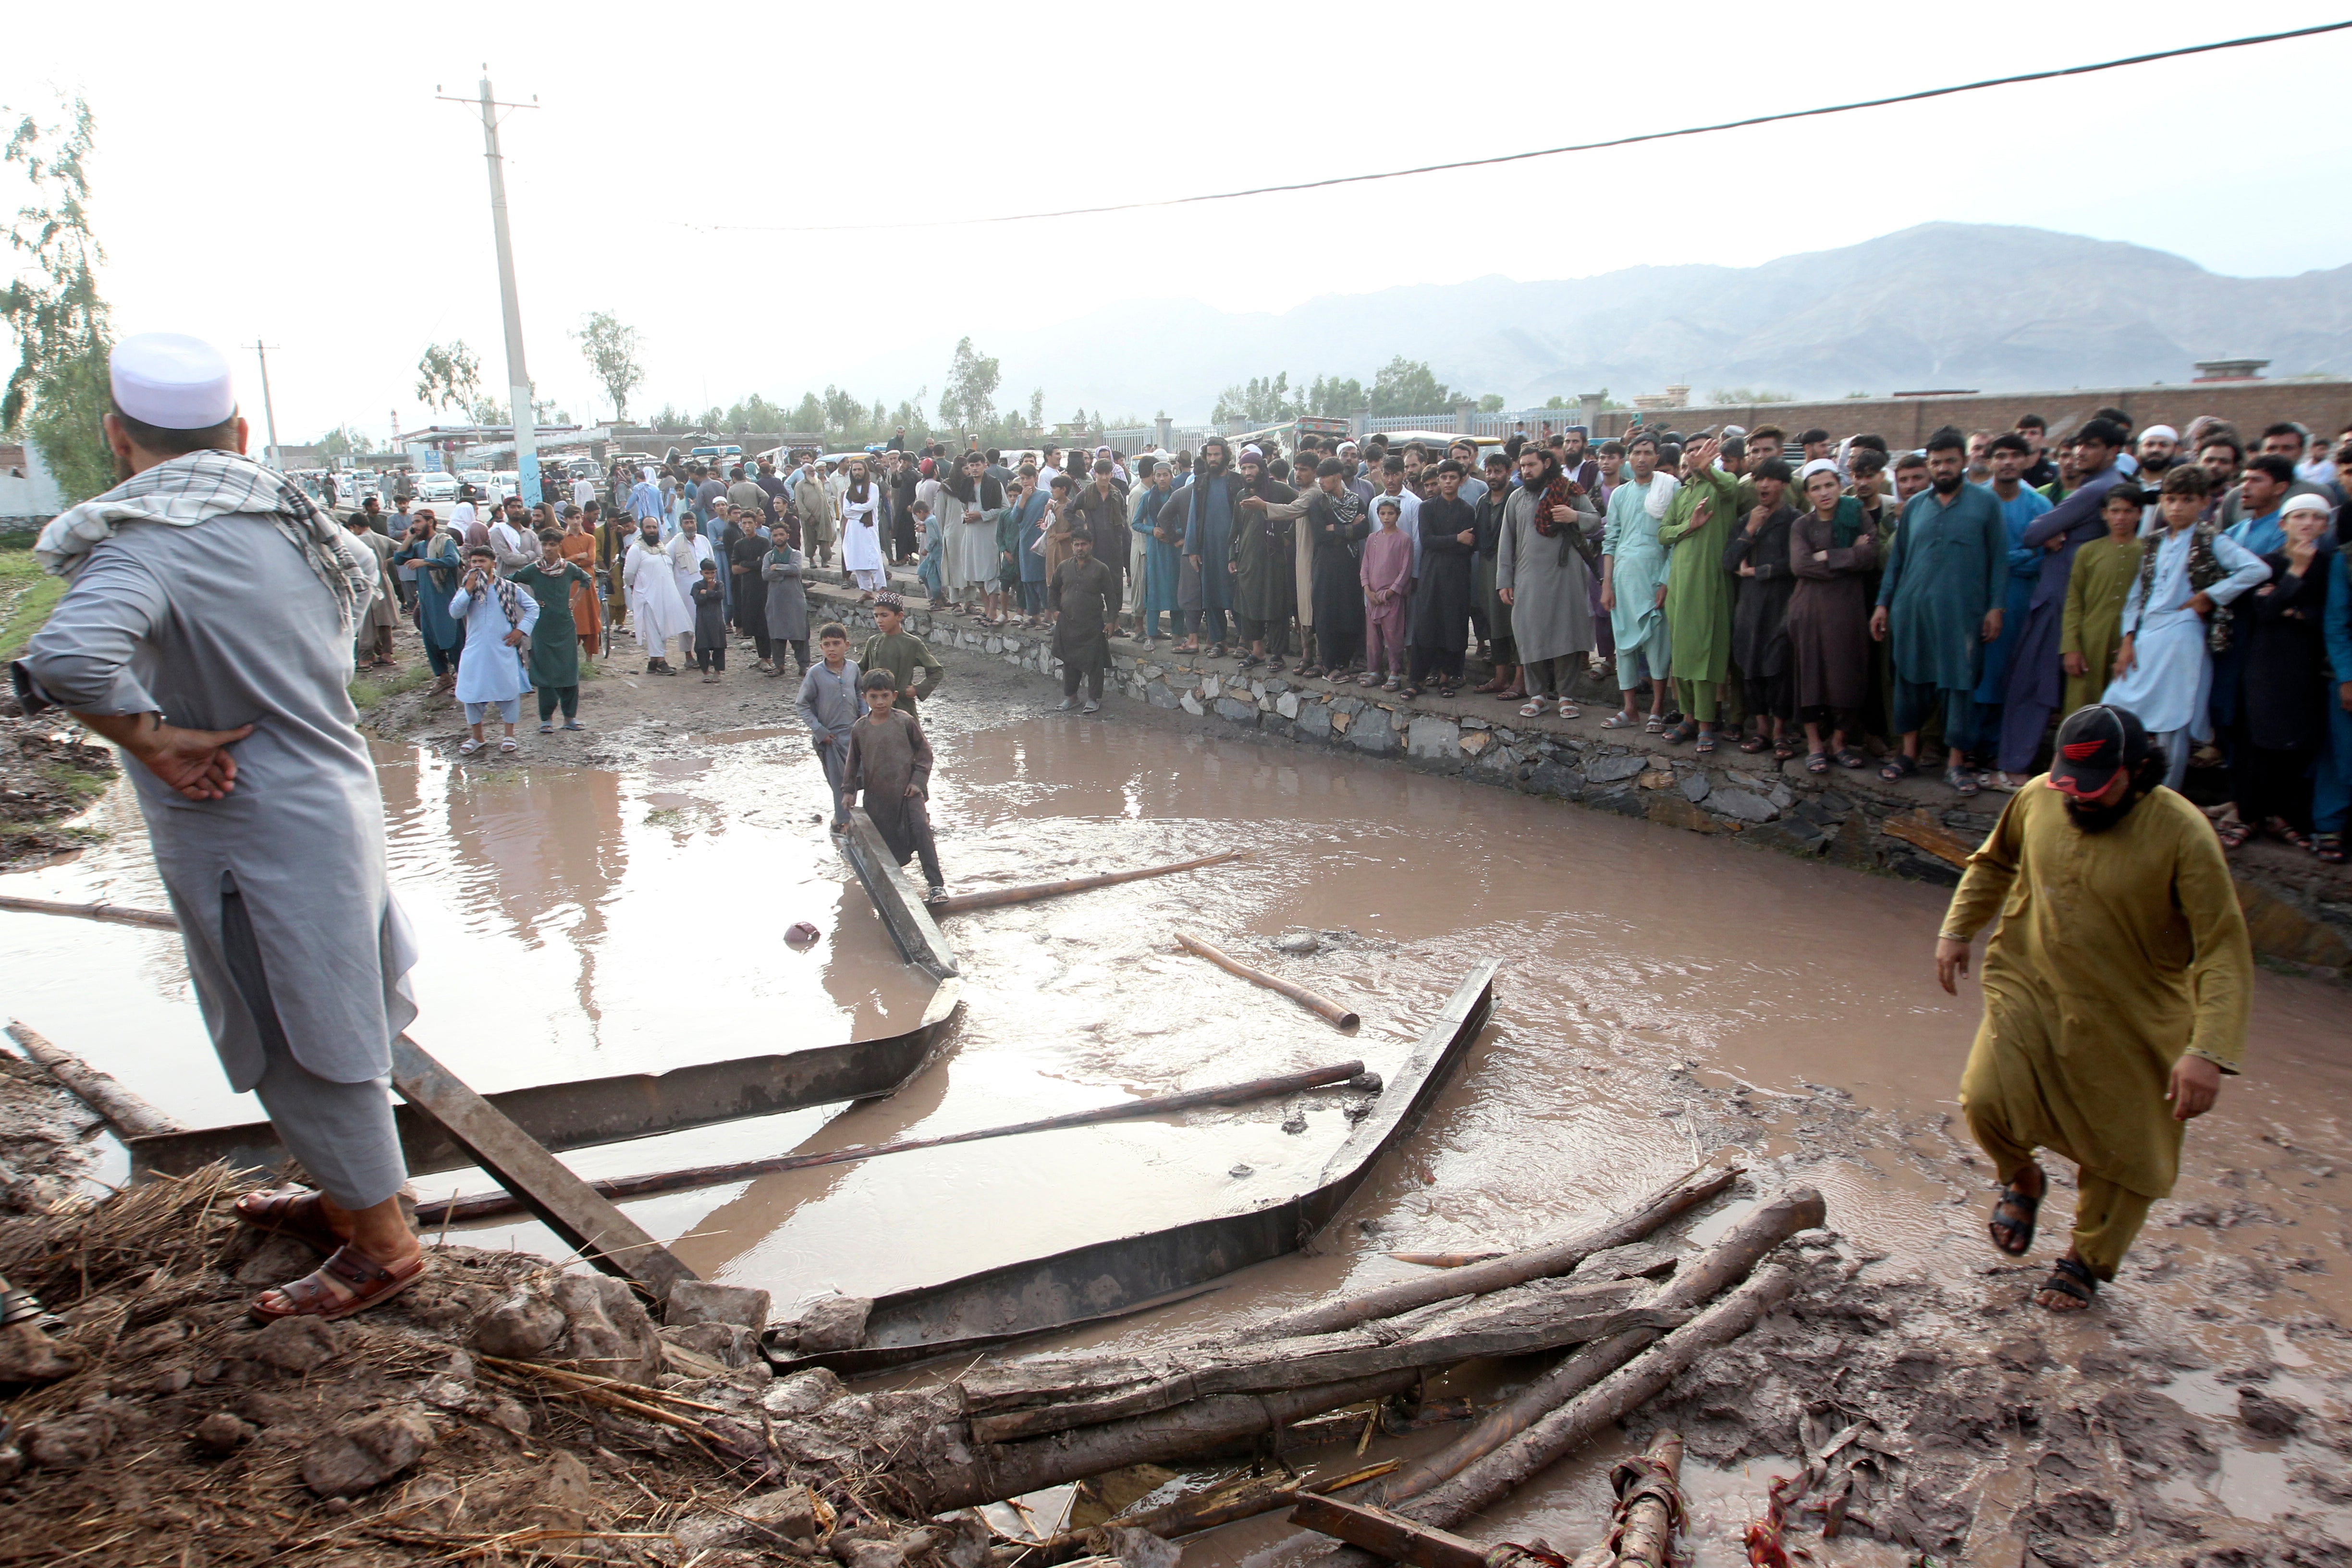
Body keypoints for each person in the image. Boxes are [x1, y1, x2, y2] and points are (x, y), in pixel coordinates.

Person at [12, 332, 425, 1322]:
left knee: (302, 1036)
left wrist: (150, 740)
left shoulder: (149, 544)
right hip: (335, 800)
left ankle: (381, 1244)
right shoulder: (294, 522)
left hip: (253, 830)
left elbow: (67, 657)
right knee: (336, 1012)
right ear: (239, 433)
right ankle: (345, 1196)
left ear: (117, 440)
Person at [1936, 703, 2250, 1313]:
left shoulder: (2184, 834)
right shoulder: (2035, 798)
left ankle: (2086, 1260)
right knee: (1985, 1098)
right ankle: (2023, 1178)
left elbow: (2222, 949)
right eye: (2069, 784)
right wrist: (1958, 929)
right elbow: (1996, 861)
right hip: (2029, 984)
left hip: (2133, 1014)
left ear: (2137, 772)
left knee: (2126, 1152)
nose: (2078, 798)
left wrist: (2208, 1050)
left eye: (2096, 787)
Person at [2103, 465, 2269, 792]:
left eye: (2187, 500)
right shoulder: (2153, 542)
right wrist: (2128, 640)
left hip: (2183, 634)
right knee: (2118, 706)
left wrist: (2211, 595)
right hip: (2147, 635)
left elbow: (2257, 569)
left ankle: (2166, 794)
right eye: (2171, 499)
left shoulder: (2211, 540)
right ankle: (2119, 785)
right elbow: (2138, 594)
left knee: (2172, 721)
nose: (2177, 507)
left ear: (2204, 502)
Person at [1873, 428, 2010, 795]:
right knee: (1909, 682)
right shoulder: (1916, 507)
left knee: (1960, 684)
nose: (1944, 468)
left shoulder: (1986, 504)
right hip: (1912, 611)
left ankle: (1956, 763)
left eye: (1950, 460)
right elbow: (1897, 562)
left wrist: (1996, 607)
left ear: (1964, 462)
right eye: (1937, 462)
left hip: (1962, 614)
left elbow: (1999, 560)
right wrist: (1883, 605)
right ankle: (1908, 755)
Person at [1988, 422, 2122, 789]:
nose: (2081, 453)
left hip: (2058, 597)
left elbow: (2034, 533)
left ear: (2113, 451)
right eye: (2078, 445)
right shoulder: (2113, 486)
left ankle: (2015, 768)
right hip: (2083, 598)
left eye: (2091, 446)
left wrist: (2051, 534)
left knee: (2032, 684)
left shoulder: (2096, 489)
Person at [2225, 492, 2335, 849]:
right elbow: (2267, 610)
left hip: (2307, 667)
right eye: (2300, 516)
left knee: (2297, 741)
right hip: (2266, 663)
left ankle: (2283, 816)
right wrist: (2297, 574)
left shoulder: (2331, 566)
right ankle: (2249, 814)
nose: (2308, 524)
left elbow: (2329, 615)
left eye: (2316, 518)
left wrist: (2296, 609)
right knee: (2257, 739)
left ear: (2325, 525)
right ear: (2284, 524)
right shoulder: (2268, 563)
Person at [1785, 458, 1879, 772]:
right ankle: (1814, 744)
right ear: (1808, 494)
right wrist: (1848, 557)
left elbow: (1870, 556)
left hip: (1848, 611)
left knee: (1846, 676)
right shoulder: (1802, 525)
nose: (1824, 493)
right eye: (1816, 488)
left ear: (1840, 486)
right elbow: (1801, 566)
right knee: (1809, 675)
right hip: (1809, 610)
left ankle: (1839, 742)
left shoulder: (1856, 516)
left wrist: (1828, 556)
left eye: (1829, 485)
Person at [1499, 448, 1599, 719]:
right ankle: (1538, 695)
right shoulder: (1517, 498)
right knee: (1530, 633)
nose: (1527, 470)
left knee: (1565, 633)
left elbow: (1595, 521)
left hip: (1566, 575)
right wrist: (1504, 581)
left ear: (1547, 463)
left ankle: (1566, 696)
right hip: (1528, 577)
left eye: (1532, 465)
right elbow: (1506, 541)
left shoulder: (1570, 491)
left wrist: (1574, 516)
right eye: (1523, 466)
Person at [1656, 437, 1741, 752]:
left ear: (1713, 454)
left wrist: (1709, 471)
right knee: (1682, 653)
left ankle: (1708, 723)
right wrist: (1688, 527)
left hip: (1711, 582)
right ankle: (1689, 718)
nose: (1694, 455)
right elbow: (1664, 533)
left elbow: (1730, 489)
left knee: (1707, 653)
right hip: (1680, 580)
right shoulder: (1683, 493)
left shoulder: (1723, 485)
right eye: (1690, 451)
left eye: (1701, 450)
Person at [842, 668, 945, 900]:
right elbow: (852, 762)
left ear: (894, 696)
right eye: (874, 697)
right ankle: (892, 888)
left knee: (921, 830)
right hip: (878, 797)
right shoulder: (860, 728)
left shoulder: (905, 722)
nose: (880, 702)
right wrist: (849, 791)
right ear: (864, 698)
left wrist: (919, 782)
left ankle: (936, 885)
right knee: (884, 842)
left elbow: (925, 754)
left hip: (909, 793)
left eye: (885, 696)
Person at [1599, 433, 1677, 732]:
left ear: (1657, 457)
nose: (1642, 458)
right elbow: (1611, 541)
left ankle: (1657, 708)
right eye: (1637, 453)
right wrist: (1607, 586)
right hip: (1623, 578)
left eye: (1648, 453)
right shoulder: (1620, 495)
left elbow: (1674, 542)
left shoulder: (1670, 489)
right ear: (1629, 459)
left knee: (1658, 644)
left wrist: (1666, 582)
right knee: (1624, 645)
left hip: (1656, 576)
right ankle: (1630, 709)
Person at [1722, 458, 1798, 758]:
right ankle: (1762, 730)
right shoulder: (1746, 520)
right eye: (1760, 479)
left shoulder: (1795, 520)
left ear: (1784, 485)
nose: (1764, 485)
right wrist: (1751, 529)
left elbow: (1797, 563)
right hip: (1750, 607)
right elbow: (1729, 562)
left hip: (1781, 606)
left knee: (1778, 667)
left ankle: (1781, 731)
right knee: (1750, 667)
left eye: (1771, 479)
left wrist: (1760, 571)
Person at [2058, 485, 2146, 720]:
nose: (2121, 518)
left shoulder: (2148, 552)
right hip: (2090, 640)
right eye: (2115, 511)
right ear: (2104, 514)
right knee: (2082, 710)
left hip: (2132, 643)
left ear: (2139, 514)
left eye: (2128, 511)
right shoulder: (2088, 552)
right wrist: (2071, 647)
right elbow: (2074, 600)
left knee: (2123, 712)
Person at [449, 543, 536, 755]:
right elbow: (455, 612)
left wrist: (521, 631)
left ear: (493, 563)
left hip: (503, 648)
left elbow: (533, 608)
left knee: (508, 692)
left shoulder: (508, 587)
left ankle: (509, 736)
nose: (478, 565)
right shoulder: (466, 589)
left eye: (482, 561)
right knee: (472, 694)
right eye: (474, 562)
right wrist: (469, 589)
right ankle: (477, 737)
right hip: (476, 650)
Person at [1406, 463, 1480, 698]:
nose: (1448, 482)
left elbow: (1469, 546)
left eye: (1453, 477)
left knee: (1452, 625)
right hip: (1431, 574)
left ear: (1461, 480)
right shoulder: (1427, 508)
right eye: (1444, 477)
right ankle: (1417, 680)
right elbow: (1427, 541)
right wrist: (1456, 538)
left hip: (1457, 576)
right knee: (1425, 625)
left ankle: (1447, 679)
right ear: (1438, 480)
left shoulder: (1467, 510)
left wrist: (1449, 542)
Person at [509, 529, 590, 732]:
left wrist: (575, 600)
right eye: (545, 545)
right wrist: (531, 603)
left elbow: (586, 580)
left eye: (553, 545)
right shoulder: (533, 571)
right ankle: (546, 720)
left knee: (569, 672)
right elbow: (509, 580)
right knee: (544, 673)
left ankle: (570, 718)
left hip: (565, 626)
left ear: (559, 546)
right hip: (542, 627)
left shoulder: (569, 569)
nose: (548, 549)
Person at [1169, 438, 1242, 654]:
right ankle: (1219, 641)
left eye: (1217, 455)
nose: (1213, 459)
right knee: (1212, 596)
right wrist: (1192, 549)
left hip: (1233, 549)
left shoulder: (1238, 481)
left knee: (1238, 596)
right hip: (1208, 549)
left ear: (1225, 457)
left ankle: (1245, 641)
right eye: (1209, 455)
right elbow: (1193, 517)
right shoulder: (1200, 483)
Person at [1227, 449, 1298, 670]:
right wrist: (1232, 556)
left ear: (1261, 469)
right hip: (1248, 560)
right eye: (1244, 468)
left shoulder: (1279, 490)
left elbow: (1302, 508)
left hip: (1274, 559)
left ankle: (1277, 655)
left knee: (1276, 606)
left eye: (1252, 468)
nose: (1248, 472)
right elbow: (1236, 529)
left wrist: (1288, 538)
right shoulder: (1242, 495)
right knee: (1250, 607)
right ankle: (1257, 653)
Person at [798, 623, 863, 833]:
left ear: (847, 645)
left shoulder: (853, 668)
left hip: (855, 734)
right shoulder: (815, 674)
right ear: (821, 648)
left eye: (836, 644)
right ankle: (843, 824)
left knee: (863, 777)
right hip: (831, 738)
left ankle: (866, 816)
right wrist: (819, 731)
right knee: (839, 784)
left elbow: (861, 694)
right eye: (827, 645)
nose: (832, 649)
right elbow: (802, 705)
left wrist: (864, 720)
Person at [1050, 529, 1122, 713]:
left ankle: (1093, 699)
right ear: (1072, 547)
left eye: (1083, 544)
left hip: (1092, 624)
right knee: (1069, 663)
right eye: (1076, 545)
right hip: (1068, 623)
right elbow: (1053, 588)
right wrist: (1055, 610)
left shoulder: (1101, 569)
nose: (1080, 548)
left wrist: (1112, 621)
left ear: (1091, 545)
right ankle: (1071, 698)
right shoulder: (1064, 567)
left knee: (1095, 663)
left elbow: (1111, 596)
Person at [1472, 451, 1521, 699]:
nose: (1492, 476)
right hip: (1487, 568)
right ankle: (1501, 678)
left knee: (1516, 626)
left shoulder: (1517, 497)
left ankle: (1521, 681)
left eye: (1498, 471)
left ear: (1509, 472)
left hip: (1513, 570)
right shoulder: (1483, 501)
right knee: (1495, 624)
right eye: (1489, 471)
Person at [623, 518, 691, 674]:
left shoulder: (661, 548)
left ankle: (653, 663)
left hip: (664, 596)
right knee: (654, 629)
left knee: (662, 628)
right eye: (648, 527)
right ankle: (661, 661)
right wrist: (637, 589)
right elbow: (628, 575)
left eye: (655, 527)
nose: (652, 530)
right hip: (647, 596)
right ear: (642, 529)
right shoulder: (637, 549)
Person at [859, 591, 944, 717]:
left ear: (899, 616)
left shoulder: (913, 644)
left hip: (904, 706)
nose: (879, 621)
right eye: (876, 616)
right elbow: (862, 669)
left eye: (884, 615)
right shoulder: (874, 642)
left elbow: (937, 671)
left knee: (908, 735)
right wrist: (869, 693)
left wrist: (917, 689)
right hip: (878, 706)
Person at [1360, 497, 1413, 690]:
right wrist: (1367, 589)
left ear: (1398, 515)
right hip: (1372, 597)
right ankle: (1374, 670)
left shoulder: (1404, 539)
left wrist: (1391, 592)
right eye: (1383, 513)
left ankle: (1394, 672)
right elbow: (1365, 566)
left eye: (1391, 513)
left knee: (1394, 635)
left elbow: (1406, 570)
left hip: (1392, 598)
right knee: (1373, 636)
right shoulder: (1372, 539)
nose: (1386, 517)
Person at [943, 451, 1004, 617]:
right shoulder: (966, 484)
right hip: (971, 534)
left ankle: (993, 611)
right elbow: (965, 509)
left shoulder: (994, 484)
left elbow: (1004, 508)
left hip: (988, 534)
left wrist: (982, 515)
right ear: (968, 468)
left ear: (985, 465)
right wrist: (967, 516)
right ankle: (986, 609)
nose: (975, 469)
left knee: (990, 572)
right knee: (976, 574)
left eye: (978, 465)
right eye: (972, 465)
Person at [1130, 459, 1180, 645]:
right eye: (1158, 475)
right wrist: (1153, 530)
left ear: (1171, 476)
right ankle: (1151, 634)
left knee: (1177, 591)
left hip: (1174, 550)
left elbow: (1188, 523)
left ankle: (1177, 634)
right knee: (1154, 592)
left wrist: (1174, 534)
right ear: (1153, 477)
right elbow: (1135, 523)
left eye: (1165, 475)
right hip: (1155, 552)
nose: (1162, 479)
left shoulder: (1178, 496)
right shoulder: (1147, 497)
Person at [345, 514, 401, 669]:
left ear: (356, 527)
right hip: (384, 581)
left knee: (368, 622)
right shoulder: (381, 538)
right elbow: (401, 548)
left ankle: (365, 658)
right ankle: (387, 654)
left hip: (367, 583)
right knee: (385, 620)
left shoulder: (358, 542)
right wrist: (388, 562)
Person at [761, 532, 811, 676]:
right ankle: (779, 665)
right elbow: (765, 574)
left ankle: (804, 665)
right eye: (775, 535)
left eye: (781, 535)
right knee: (777, 634)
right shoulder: (768, 556)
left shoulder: (796, 554)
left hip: (794, 599)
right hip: (775, 600)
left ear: (788, 536)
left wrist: (777, 567)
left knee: (799, 633)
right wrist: (786, 571)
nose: (779, 538)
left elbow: (796, 569)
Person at [838, 458, 886, 595]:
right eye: (855, 470)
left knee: (873, 558)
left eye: (860, 470)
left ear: (865, 472)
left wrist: (856, 510)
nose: (857, 473)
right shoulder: (848, 492)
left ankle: (881, 588)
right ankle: (866, 591)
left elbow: (871, 505)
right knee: (857, 558)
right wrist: (861, 510)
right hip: (853, 530)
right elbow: (846, 511)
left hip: (868, 528)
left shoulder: (873, 488)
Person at [690, 560, 728, 681]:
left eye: (712, 573)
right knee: (702, 647)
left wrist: (707, 592)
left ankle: (717, 672)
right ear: (701, 573)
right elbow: (698, 600)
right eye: (707, 573)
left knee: (719, 646)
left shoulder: (720, 584)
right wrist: (711, 593)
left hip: (717, 620)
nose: (710, 576)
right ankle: (705, 672)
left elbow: (720, 596)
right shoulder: (697, 585)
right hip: (703, 621)